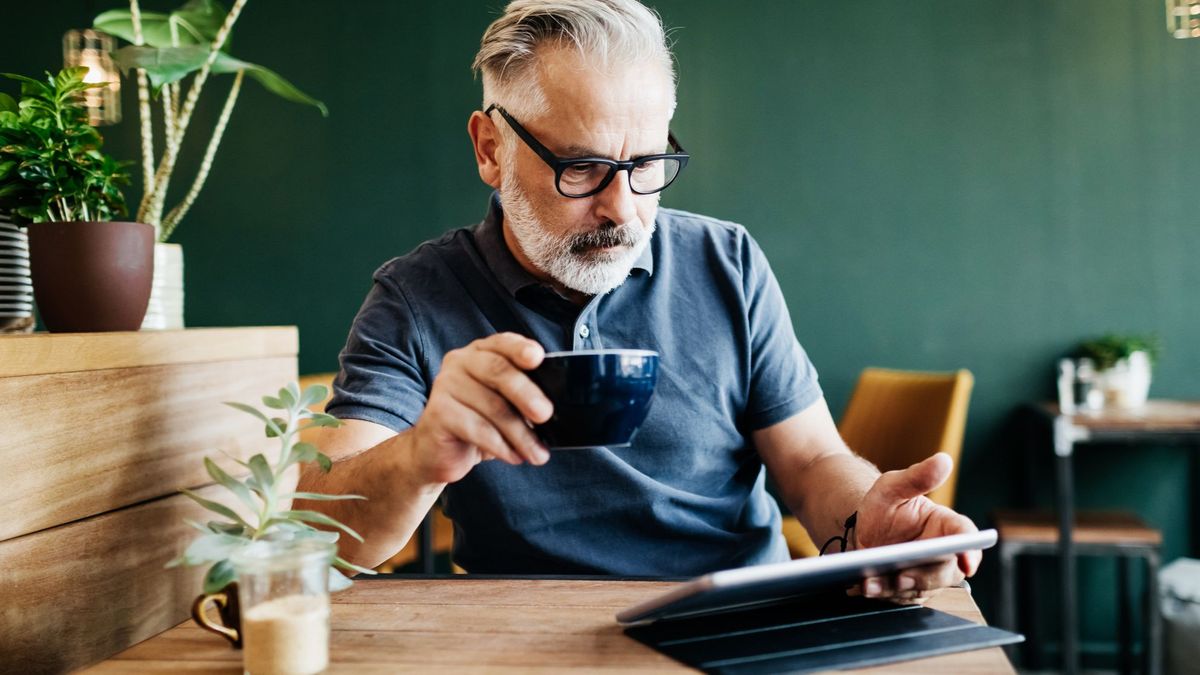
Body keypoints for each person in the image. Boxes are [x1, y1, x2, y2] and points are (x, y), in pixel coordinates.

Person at [297, 0, 980, 602]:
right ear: (490, 148)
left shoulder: (727, 263)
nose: (621, 207)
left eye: (646, 164)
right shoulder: (417, 298)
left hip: (735, 618)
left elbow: (808, 462)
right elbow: (327, 534)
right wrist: (422, 455)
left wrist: (865, 518)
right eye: (583, 167)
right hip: (524, 636)